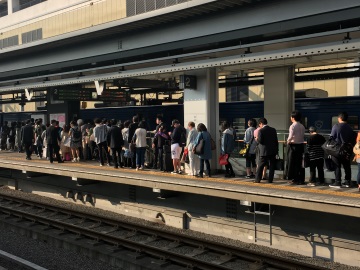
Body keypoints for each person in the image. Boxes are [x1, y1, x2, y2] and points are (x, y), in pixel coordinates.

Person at [329, 112, 356, 188]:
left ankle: (338, 182)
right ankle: (347, 182)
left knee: (337, 165)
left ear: (339, 118)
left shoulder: (336, 126)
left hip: (337, 149)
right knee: (347, 166)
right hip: (346, 150)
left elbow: (332, 137)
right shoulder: (350, 128)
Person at [254, 118, 278, 183]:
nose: (259, 126)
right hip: (272, 151)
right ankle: (270, 180)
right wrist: (276, 151)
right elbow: (276, 141)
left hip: (264, 151)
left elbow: (260, 141)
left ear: (261, 123)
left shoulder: (261, 131)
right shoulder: (273, 130)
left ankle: (257, 179)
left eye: (259, 125)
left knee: (260, 165)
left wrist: (256, 139)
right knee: (272, 165)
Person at [285, 111, 305, 185]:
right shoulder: (302, 126)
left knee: (291, 163)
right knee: (299, 163)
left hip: (293, 146)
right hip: (300, 145)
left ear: (293, 118)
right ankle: (300, 178)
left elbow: (290, 136)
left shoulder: (293, 126)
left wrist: (288, 141)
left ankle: (293, 178)